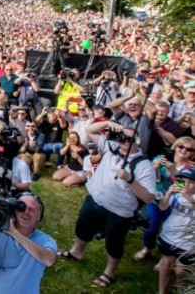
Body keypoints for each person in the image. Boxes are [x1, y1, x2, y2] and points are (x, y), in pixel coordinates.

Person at [59, 123, 156, 287]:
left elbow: (149, 197)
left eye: (128, 138)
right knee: (82, 228)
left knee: (114, 242)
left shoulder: (143, 165)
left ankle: (109, 272)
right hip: (95, 199)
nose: (123, 140)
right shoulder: (111, 148)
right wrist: (108, 124)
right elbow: (90, 130)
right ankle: (76, 252)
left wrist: (130, 179)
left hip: (119, 211)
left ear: (137, 141)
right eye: (121, 136)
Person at [0, 193, 57, 294]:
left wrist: (13, 232)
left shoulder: (46, 240)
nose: (26, 212)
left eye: (31, 209)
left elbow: (49, 260)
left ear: (39, 216)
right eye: (21, 209)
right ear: (14, 212)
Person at [132, 136, 195, 262]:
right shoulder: (161, 158)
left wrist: (174, 171)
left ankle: (165, 258)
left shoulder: (191, 168)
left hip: (176, 204)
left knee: (170, 232)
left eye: (189, 149)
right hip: (156, 199)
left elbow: (186, 185)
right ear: (175, 146)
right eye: (181, 146)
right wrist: (154, 167)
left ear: (193, 153)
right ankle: (147, 249)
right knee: (150, 228)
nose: (184, 150)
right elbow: (147, 177)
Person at [156, 166, 195, 294]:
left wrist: (189, 198)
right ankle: (162, 291)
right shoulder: (176, 194)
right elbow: (162, 207)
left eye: (191, 182)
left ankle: (182, 291)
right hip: (169, 236)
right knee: (166, 265)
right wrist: (168, 194)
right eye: (184, 181)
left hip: (188, 242)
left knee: (181, 271)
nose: (187, 185)